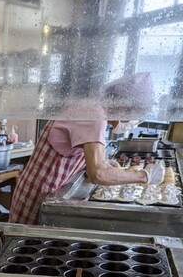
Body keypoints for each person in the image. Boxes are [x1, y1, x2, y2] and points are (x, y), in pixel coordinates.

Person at [9, 72, 165, 225]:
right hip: (39, 195)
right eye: (131, 115)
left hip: (42, 190)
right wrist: (145, 176)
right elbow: (97, 174)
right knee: (26, 238)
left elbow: (81, 154)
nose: (128, 121)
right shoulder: (94, 115)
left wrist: (104, 163)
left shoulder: (90, 106)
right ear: (123, 106)